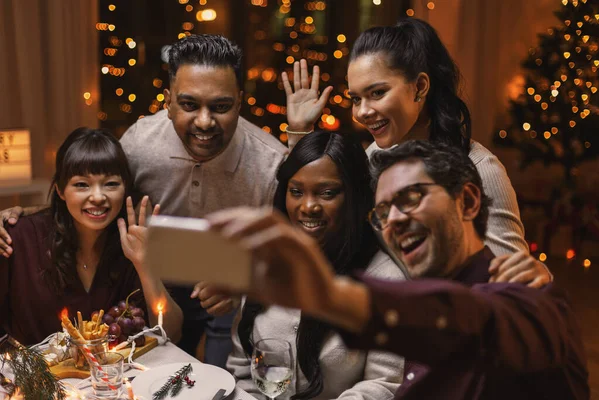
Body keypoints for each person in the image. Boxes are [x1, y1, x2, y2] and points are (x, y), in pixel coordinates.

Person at [205, 140, 590, 399]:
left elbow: (477, 321)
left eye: (411, 199)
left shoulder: (528, 294)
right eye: (384, 211)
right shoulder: (419, 297)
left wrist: (327, 294)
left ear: (468, 201)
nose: (395, 221)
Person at [0, 34, 288, 366]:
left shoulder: (269, 164)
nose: (205, 121)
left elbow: (287, 251)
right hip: (157, 267)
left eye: (220, 107)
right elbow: (99, 192)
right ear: (168, 102)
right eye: (190, 104)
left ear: (240, 100)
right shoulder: (139, 144)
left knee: (222, 375)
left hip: (227, 279)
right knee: (170, 364)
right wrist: (31, 216)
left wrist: (243, 277)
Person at [283, 18, 544, 278]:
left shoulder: (480, 168)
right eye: (355, 99)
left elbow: (512, 285)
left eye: (377, 93)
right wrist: (300, 132)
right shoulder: (373, 157)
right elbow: (326, 223)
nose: (362, 112)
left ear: (419, 87)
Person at [227, 131, 404, 399]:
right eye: (296, 192)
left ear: (354, 197)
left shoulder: (385, 280)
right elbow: (242, 368)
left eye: (327, 193)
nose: (308, 206)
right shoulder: (263, 260)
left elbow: (385, 383)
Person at [0, 128, 182, 345]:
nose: (98, 197)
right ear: (60, 190)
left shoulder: (133, 240)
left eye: (111, 184)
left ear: (125, 188)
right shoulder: (19, 238)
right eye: (81, 185)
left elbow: (171, 334)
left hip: (114, 376)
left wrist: (144, 265)